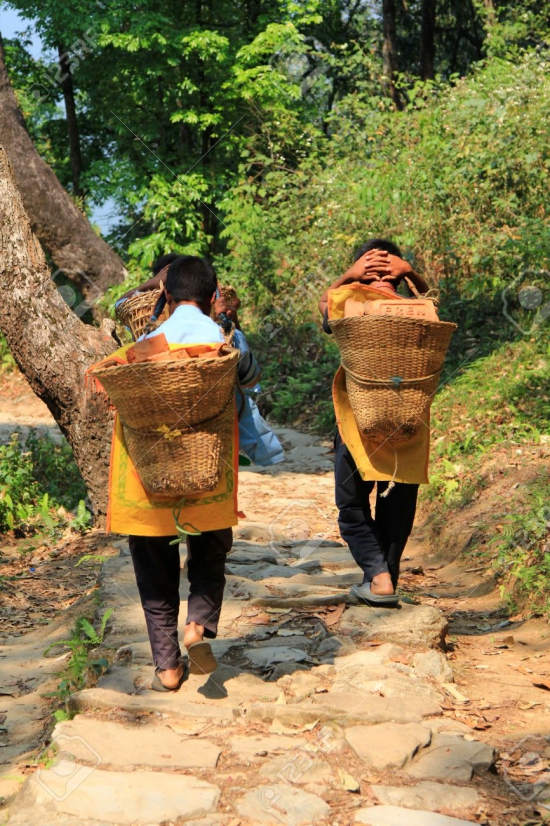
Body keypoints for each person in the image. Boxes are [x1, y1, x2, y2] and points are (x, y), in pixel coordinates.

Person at [108, 255, 260, 691]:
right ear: (214, 298)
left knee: (154, 565)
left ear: (167, 298)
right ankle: (197, 624)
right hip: (208, 468)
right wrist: (231, 327)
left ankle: (168, 668)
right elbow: (250, 381)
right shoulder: (226, 340)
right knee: (210, 551)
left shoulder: (145, 345)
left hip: (150, 474)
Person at [319, 238, 430, 606]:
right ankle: (383, 580)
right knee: (381, 508)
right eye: (374, 273)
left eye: (388, 274)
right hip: (401, 427)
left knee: (359, 506)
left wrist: (351, 277)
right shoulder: (411, 309)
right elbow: (327, 315)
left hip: (361, 422)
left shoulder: (354, 305)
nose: (382, 280)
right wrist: (406, 273)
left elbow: (326, 309)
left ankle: (381, 579)